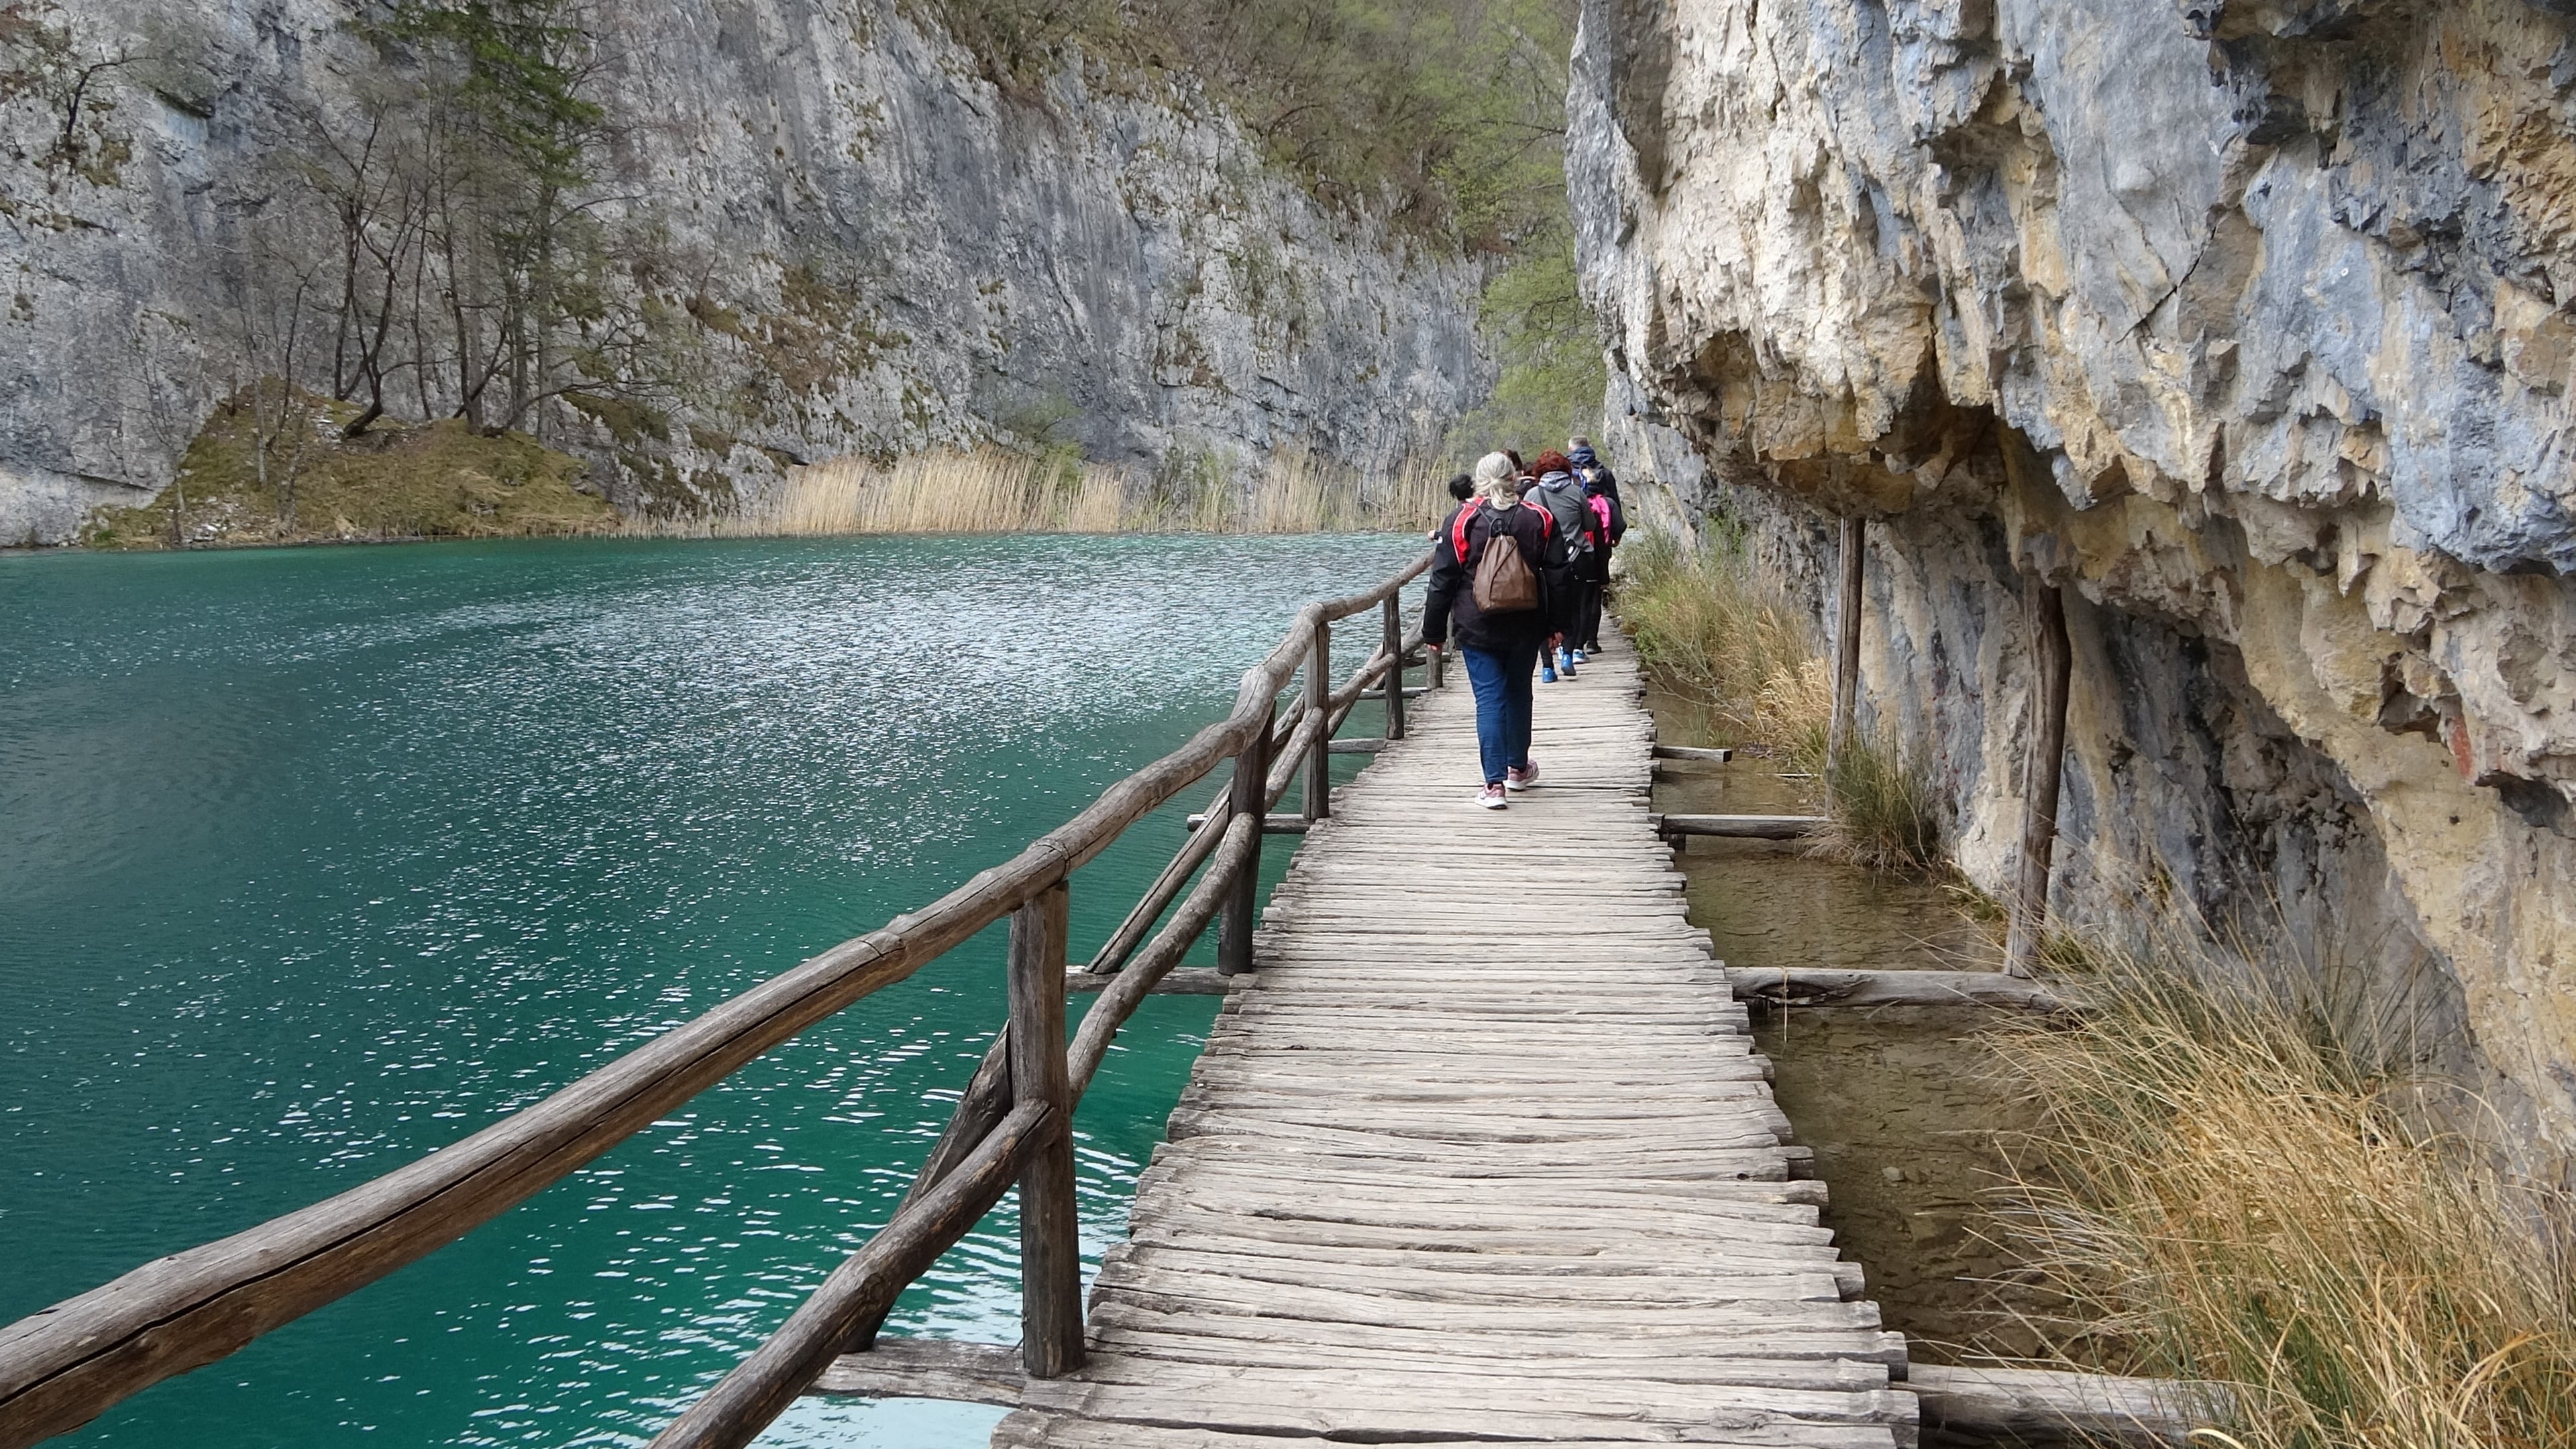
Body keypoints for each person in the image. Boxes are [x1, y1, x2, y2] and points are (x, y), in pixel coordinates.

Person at [1424, 452, 1559, 809]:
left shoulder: (1462, 521)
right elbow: (1559, 575)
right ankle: (1517, 768)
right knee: (1518, 693)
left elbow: (1443, 580)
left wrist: (1434, 632)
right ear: (1515, 478)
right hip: (1526, 623)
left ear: (1479, 481)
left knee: (1489, 700)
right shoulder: (1539, 518)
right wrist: (1559, 626)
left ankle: (1493, 785)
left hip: (1476, 625)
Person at [1522, 449, 1593, 681]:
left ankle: (1547, 669)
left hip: (1543, 564)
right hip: (1575, 560)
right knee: (1574, 608)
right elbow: (1590, 524)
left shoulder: (1532, 495)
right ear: (1566, 470)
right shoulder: (1576, 493)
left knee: (1542, 613)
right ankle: (1568, 656)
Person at [1572, 458, 1626, 659]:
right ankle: (1592, 642)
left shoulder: (1577, 502)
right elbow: (1620, 526)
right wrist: (1614, 539)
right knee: (1595, 597)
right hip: (1601, 556)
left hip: (1579, 555)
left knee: (1578, 599)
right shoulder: (1608, 503)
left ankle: (1576, 640)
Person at [1568, 437, 1620, 503]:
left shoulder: (1566, 472)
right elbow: (1615, 505)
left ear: (1570, 449)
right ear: (1588, 447)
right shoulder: (1605, 473)